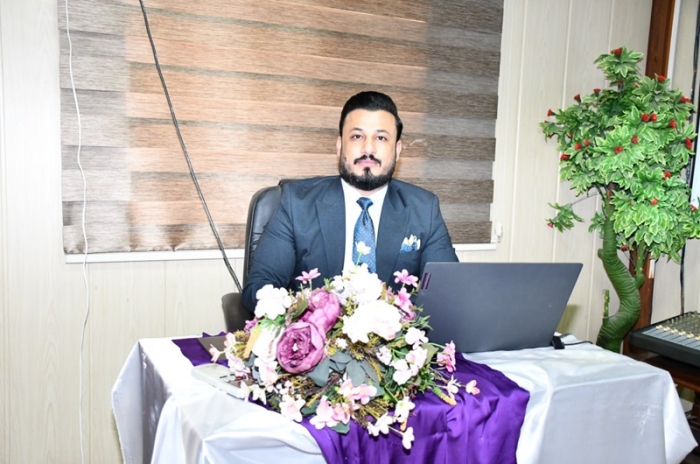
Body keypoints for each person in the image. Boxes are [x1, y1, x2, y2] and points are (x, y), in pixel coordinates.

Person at [241, 91, 458, 313]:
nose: (368, 149)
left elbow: (449, 292)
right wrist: (309, 316)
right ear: (339, 146)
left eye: (381, 138)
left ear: (397, 150)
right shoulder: (296, 203)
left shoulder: (424, 209)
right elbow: (259, 287)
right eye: (357, 136)